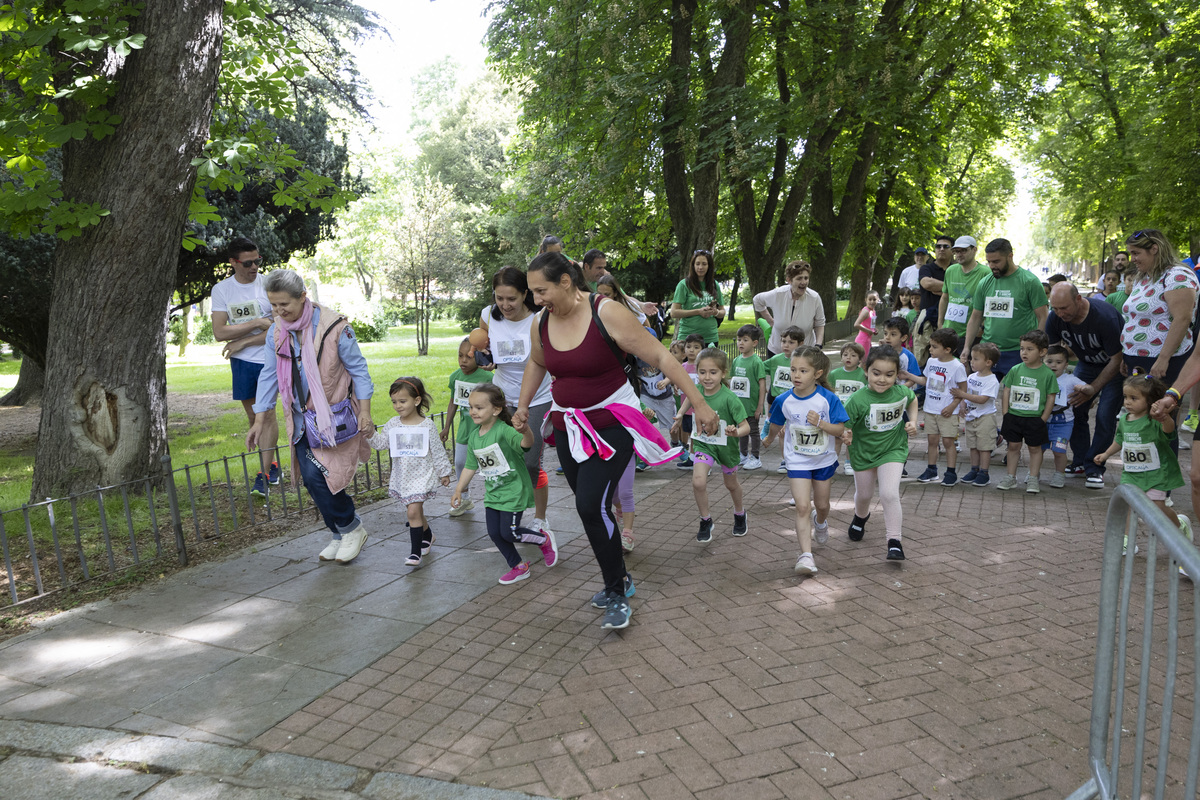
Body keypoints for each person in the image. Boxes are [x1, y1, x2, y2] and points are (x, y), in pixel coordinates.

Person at [516, 252, 719, 630]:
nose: (535, 299)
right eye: (531, 291)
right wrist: (524, 406)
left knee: (590, 506)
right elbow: (537, 363)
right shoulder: (541, 322)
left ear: (565, 282)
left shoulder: (605, 312)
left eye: (540, 290)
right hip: (569, 426)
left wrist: (700, 403)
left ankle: (615, 588)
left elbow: (661, 356)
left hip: (613, 422)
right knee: (590, 507)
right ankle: (619, 578)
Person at [246, 269, 374, 564]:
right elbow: (268, 376)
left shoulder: (334, 327)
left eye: (284, 305)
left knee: (321, 474)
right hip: (300, 418)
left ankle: (352, 527)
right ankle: (339, 533)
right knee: (309, 478)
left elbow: (359, 370)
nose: (279, 312)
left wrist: (365, 411)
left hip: (333, 418)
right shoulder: (276, 331)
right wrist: (260, 419)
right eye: (273, 305)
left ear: (303, 297)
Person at [451, 384, 557, 585]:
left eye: (479, 407)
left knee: (510, 532)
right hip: (493, 494)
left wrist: (525, 431)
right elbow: (470, 466)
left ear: (497, 409)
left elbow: (527, 444)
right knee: (495, 533)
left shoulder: (504, 431)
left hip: (513, 491)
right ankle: (518, 566)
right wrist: (458, 489)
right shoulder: (474, 436)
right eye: (471, 407)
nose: (473, 411)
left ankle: (543, 540)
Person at [479, 267, 555, 539]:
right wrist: (483, 356)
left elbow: (547, 359)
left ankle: (540, 518)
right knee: (505, 459)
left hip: (538, 397)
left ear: (525, 294)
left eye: (511, 298)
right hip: (502, 398)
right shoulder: (488, 315)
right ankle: (512, 517)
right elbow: (484, 347)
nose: (505, 305)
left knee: (530, 460)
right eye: (499, 298)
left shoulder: (540, 318)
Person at [762, 346, 847, 576]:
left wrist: (821, 423)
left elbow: (840, 428)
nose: (796, 375)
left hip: (823, 460)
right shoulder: (783, 399)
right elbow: (776, 423)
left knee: (821, 506)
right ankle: (806, 556)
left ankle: (820, 522)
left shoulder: (827, 399)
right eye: (793, 370)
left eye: (803, 371)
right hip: (797, 459)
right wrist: (769, 438)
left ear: (817, 374)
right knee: (801, 506)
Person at [1098, 375, 1191, 569]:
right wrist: (1106, 454)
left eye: (1134, 398)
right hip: (1132, 473)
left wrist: (1165, 418)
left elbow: (1169, 431)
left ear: (1149, 401)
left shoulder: (1153, 420)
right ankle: (1126, 540)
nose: (1127, 402)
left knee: (1156, 507)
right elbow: (1120, 440)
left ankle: (1180, 526)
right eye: (1125, 397)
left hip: (1155, 474)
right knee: (1130, 505)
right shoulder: (1124, 419)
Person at [211, 236, 279, 496]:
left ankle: (262, 476)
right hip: (242, 364)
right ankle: (272, 464)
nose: (254, 267)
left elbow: (278, 328)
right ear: (233, 262)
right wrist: (256, 323)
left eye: (257, 261)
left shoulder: (268, 285)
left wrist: (243, 341)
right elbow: (220, 332)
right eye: (248, 263)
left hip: (271, 359)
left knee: (267, 414)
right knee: (254, 418)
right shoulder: (222, 290)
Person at [841, 345, 918, 561]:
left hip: (893, 450)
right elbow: (844, 426)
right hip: (863, 453)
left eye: (889, 374)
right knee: (864, 495)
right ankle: (860, 517)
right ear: (866, 370)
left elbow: (912, 399)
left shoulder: (901, 392)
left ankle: (894, 542)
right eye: (876, 373)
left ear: (897, 375)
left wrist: (912, 421)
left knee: (889, 494)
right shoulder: (857, 400)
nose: (882, 379)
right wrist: (846, 435)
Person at [1044, 281, 1124, 489]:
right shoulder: (1054, 319)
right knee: (1075, 407)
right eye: (1055, 308)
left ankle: (1096, 467)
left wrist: (1094, 389)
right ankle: (1079, 461)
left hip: (1115, 367)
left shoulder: (1103, 317)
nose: (1060, 313)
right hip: (1086, 365)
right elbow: (1052, 355)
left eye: (1064, 308)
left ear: (1078, 299)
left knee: (1105, 415)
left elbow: (1117, 359)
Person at [367, 377, 453, 566]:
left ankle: (415, 554)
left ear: (417, 400)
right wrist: (370, 434)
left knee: (413, 512)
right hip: (403, 475)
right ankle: (428, 535)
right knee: (415, 511)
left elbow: (437, 450)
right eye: (394, 402)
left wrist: (444, 472)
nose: (397, 406)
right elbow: (382, 444)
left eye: (402, 401)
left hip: (422, 475)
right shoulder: (392, 424)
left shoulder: (427, 425)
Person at [672, 348, 751, 543]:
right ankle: (705, 520)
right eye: (702, 372)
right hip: (703, 444)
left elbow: (746, 427)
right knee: (698, 481)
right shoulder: (697, 390)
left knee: (731, 484)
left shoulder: (730, 399)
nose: (707, 377)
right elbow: (691, 399)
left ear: (724, 373)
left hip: (726, 447)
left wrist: (736, 432)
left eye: (713, 372)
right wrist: (681, 414)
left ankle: (740, 513)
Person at [961, 238, 1050, 378]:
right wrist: (967, 347)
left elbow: (1043, 316)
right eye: (988, 262)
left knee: (1014, 396)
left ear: (1010, 256)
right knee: (980, 395)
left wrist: (1035, 349)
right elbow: (976, 317)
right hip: (988, 350)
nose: (991, 266)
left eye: (996, 261)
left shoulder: (1030, 281)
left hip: (1018, 351)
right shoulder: (984, 283)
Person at [1119, 228, 1198, 384]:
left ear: (1154, 249)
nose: (1132, 259)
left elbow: (1182, 319)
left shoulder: (1177, 276)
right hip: (1135, 358)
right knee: (1137, 407)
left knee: (1157, 407)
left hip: (1161, 361)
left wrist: (1163, 359)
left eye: (1136, 253)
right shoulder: (1143, 277)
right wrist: (1126, 353)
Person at [996, 330, 1057, 493]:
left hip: (1035, 419)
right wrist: (1005, 413)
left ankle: (1033, 478)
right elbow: (1007, 389)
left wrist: (1043, 418)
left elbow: (1051, 396)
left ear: (1042, 352)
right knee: (1013, 446)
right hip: (1014, 416)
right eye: (1022, 348)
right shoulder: (1015, 369)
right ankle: (1010, 477)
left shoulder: (1047, 374)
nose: (1024, 352)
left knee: (1035, 448)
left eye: (1030, 349)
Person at [906, 328, 968, 486]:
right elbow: (925, 381)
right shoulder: (932, 361)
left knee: (948, 442)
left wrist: (954, 405)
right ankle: (931, 470)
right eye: (930, 346)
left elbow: (962, 389)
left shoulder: (957, 366)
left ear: (947, 349)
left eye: (934, 346)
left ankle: (951, 472)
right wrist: (907, 375)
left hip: (947, 412)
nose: (930, 349)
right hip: (930, 409)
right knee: (932, 440)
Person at [440, 338, 493, 516]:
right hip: (464, 429)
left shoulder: (487, 378)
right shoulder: (455, 377)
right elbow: (453, 403)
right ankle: (464, 498)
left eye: (468, 357)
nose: (463, 360)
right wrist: (446, 427)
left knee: (488, 465)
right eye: (460, 356)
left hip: (485, 430)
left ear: (478, 357)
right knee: (461, 462)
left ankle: (496, 498)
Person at [952, 342, 1002, 487]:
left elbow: (982, 399)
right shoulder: (972, 377)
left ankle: (984, 473)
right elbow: (966, 395)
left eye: (975, 359)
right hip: (971, 417)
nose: (971, 362)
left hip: (985, 418)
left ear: (988, 362)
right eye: (971, 358)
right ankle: (974, 469)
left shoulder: (992, 380)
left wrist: (962, 395)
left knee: (984, 447)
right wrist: (962, 405)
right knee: (973, 446)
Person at [752, 259, 826, 355]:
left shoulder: (814, 297)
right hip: (777, 351)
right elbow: (757, 300)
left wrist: (818, 345)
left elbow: (820, 323)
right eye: (799, 278)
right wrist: (771, 321)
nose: (803, 282)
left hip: (804, 352)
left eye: (806, 278)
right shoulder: (778, 294)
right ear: (789, 280)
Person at [1042, 346, 1087, 488]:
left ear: (1066, 365)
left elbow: (1088, 388)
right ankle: (1033, 473)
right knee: (1037, 449)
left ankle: (1059, 475)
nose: (1053, 365)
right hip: (1042, 421)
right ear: (1043, 361)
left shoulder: (1070, 379)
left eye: (1058, 362)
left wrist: (1085, 390)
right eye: (1049, 361)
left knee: (1059, 449)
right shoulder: (1039, 377)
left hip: (1063, 423)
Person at [763, 326, 807, 472]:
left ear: (800, 344)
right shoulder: (775, 359)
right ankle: (784, 460)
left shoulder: (805, 361)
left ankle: (799, 456)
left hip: (797, 401)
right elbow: (760, 369)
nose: (786, 345)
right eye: (783, 341)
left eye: (790, 342)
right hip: (779, 402)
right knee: (782, 432)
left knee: (795, 430)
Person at [658, 333, 705, 468]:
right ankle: (692, 458)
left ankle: (701, 460)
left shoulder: (702, 367)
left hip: (698, 409)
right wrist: (666, 381)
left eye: (696, 347)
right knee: (691, 434)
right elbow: (674, 376)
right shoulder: (682, 366)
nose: (691, 350)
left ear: (702, 350)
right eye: (688, 346)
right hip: (686, 409)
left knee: (698, 435)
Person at [938, 236, 986, 354]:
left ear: (974, 250)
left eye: (963, 250)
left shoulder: (985, 273)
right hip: (949, 332)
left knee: (968, 369)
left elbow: (989, 304)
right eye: (956, 251)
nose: (959, 254)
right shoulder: (951, 270)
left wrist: (982, 327)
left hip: (972, 334)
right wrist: (940, 323)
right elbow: (945, 297)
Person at [731, 324, 767, 470]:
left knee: (753, 431)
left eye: (745, 340)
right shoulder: (736, 360)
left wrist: (759, 406)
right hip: (740, 406)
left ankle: (756, 457)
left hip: (752, 406)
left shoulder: (756, 362)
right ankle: (743, 454)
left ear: (754, 343)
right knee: (742, 431)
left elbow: (762, 385)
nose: (741, 343)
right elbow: (733, 382)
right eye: (739, 339)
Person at [670, 249, 724, 346]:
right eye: (697, 264)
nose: (700, 267)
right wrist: (698, 311)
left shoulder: (714, 284)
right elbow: (673, 313)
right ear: (693, 265)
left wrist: (715, 312)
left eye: (704, 264)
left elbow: (722, 311)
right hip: (688, 338)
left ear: (709, 266)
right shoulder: (684, 285)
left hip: (710, 338)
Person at [829, 342, 866, 475]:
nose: (848, 358)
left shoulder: (864, 375)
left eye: (853, 355)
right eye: (845, 355)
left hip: (856, 414)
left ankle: (849, 463)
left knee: (852, 439)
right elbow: (830, 393)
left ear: (860, 359)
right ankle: (832, 462)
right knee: (837, 439)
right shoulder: (834, 374)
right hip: (839, 413)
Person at [914, 235, 952, 363]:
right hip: (927, 320)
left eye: (945, 246)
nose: (941, 249)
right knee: (922, 360)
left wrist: (942, 290)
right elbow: (927, 284)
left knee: (948, 358)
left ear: (952, 250)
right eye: (938, 246)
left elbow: (965, 290)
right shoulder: (926, 268)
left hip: (951, 318)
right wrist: (952, 289)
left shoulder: (957, 269)